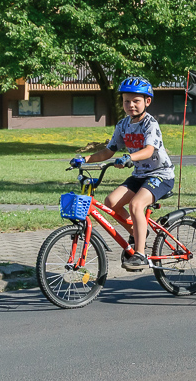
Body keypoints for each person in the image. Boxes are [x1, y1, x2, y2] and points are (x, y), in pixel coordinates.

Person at [69, 77, 175, 270]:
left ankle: (141, 254)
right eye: (127, 101)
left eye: (136, 101)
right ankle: (137, 232)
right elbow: (108, 151)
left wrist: (129, 158)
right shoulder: (123, 125)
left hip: (161, 175)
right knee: (111, 202)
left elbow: (149, 150)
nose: (131, 105)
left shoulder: (150, 124)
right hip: (140, 175)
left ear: (147, 102)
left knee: (136, 205)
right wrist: (85, 160)